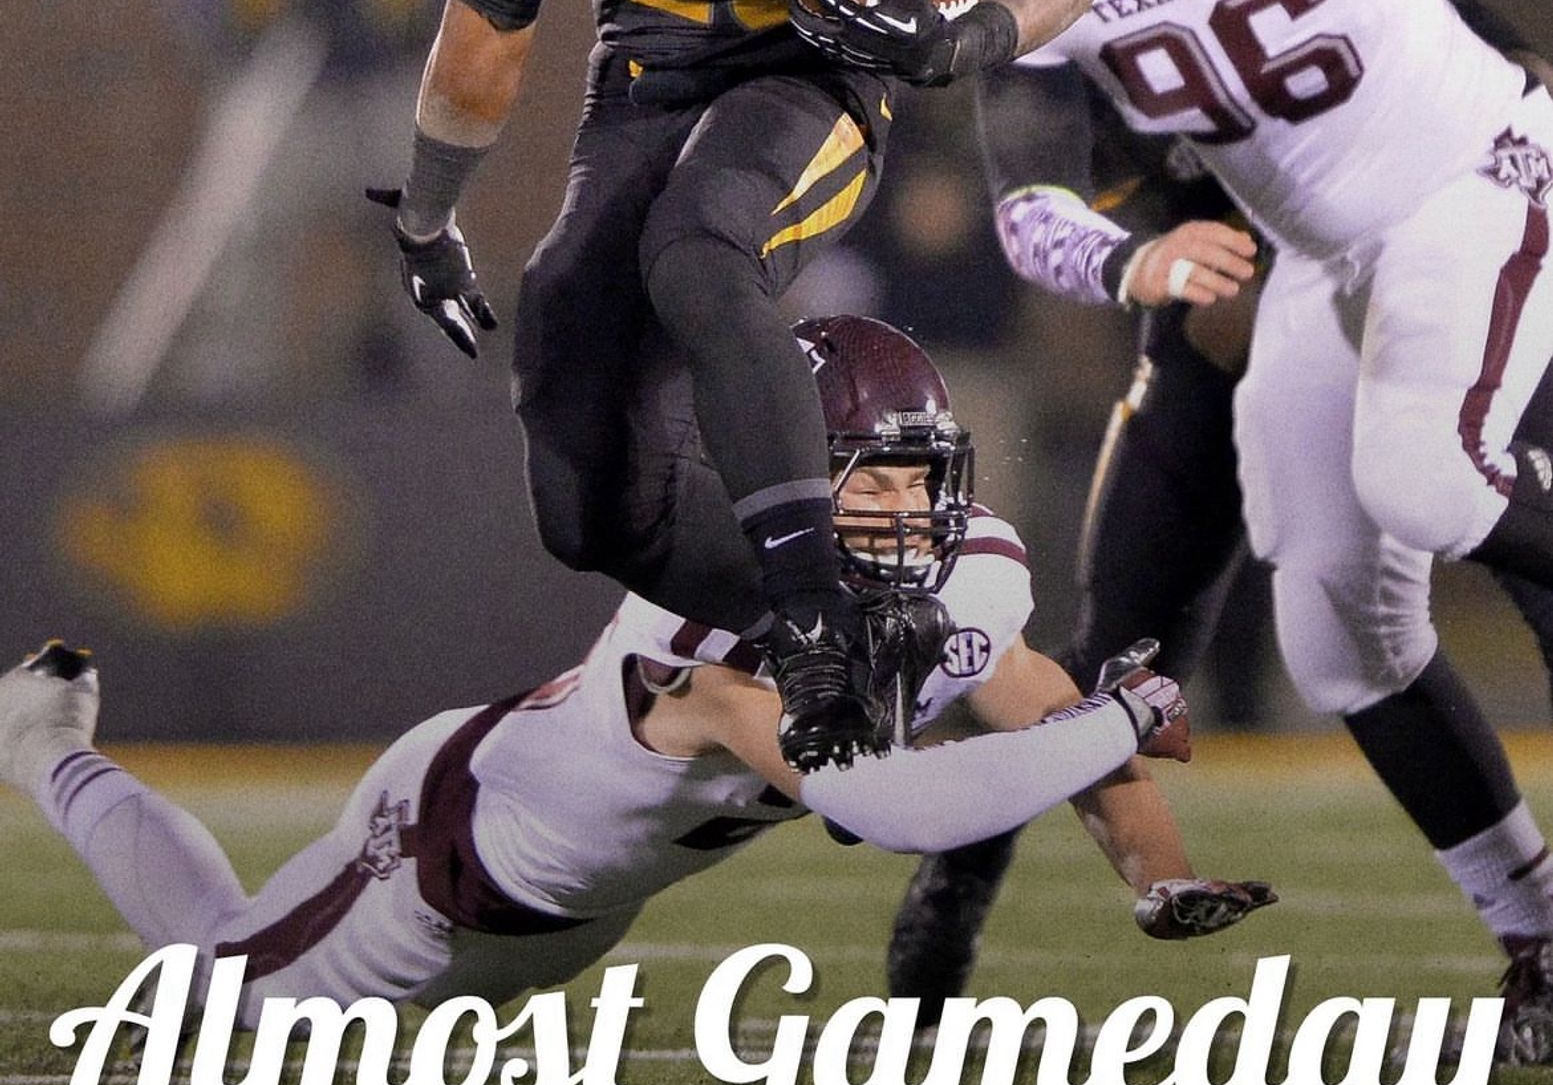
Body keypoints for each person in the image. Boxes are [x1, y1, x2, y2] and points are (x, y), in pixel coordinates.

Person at [867, 0, 1553, 1061]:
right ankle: (1537, 935)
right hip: (1311, 258)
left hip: (1475, 167)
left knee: (1427, 473)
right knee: (1338, 637)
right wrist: (1136, 259)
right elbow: (1026, 203)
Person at [371, 0, 1098, 774]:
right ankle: (899, 616)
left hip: (818, 70)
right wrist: (428, 213)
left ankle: (823, 624)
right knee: (580, 480)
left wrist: (972, 36)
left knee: (698, 249)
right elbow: (492, 12)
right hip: (646, 79)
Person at [0, 317, 1274, 1024]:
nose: (899, 512)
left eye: (915, 475)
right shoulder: (705, 641)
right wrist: (1122, 715)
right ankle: (47, 740)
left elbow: (1037, 698)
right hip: (449, 860)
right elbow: (884, 801)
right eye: (859, 479)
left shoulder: (966, 564)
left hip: (580, 903)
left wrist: (1155, 872)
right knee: (224, 985)